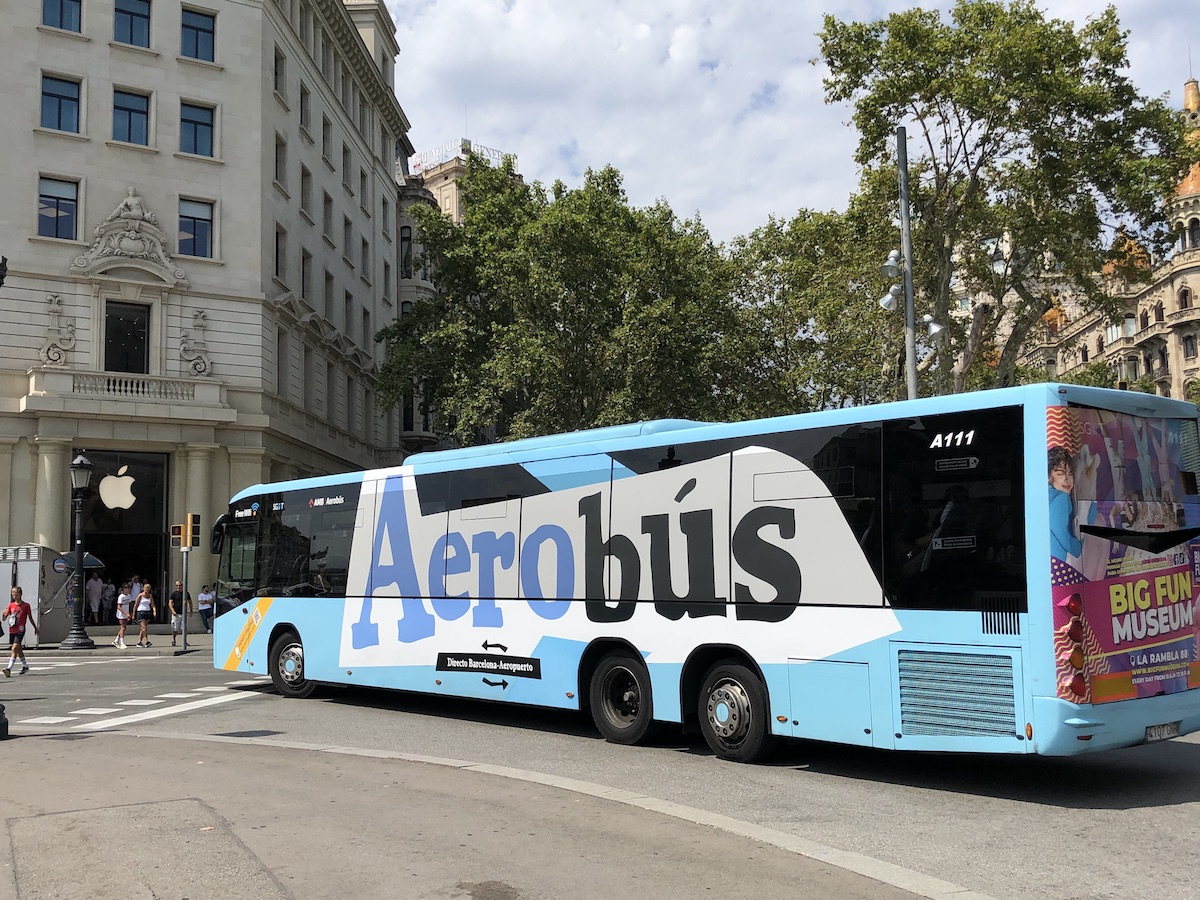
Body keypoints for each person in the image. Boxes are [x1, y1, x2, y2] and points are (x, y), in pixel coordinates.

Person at [4, 586, 39, 676]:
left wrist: (35, 628)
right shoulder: (11, 605)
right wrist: (3, 614)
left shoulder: (26, 606)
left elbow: (30, 617)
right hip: (12, 629)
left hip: (20, 629)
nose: (14, 596)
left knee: (14, 648)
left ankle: (9, 668)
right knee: (18, 649)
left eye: (16, 594)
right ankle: (25, 666)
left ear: (20, 594)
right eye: (13, 594)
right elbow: (4, 618)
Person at [168, 581, 192, 647]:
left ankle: (184, 641)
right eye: (177, 585)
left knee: (184, 628)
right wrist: (172, 610)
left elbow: (190, 602)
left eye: (180, 585)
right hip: (176, 613)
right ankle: (173, 640)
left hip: (184, 613)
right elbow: (170, 603)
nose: (178, 587)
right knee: (175, 628)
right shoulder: (174, 594)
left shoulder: (186, 593)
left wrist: (191, 610)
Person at [113, 583, 132, 649]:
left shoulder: (129, 596)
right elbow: (119, 607)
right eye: (126, 588)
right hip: (121, 614)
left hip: (126, 614)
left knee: (123, 628)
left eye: (128, 589)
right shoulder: (121, 596)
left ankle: (116, 640)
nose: (127, 590)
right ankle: (121, 642)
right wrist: (126, 613)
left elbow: (129, 605)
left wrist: (129, 613)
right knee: (123, 628)